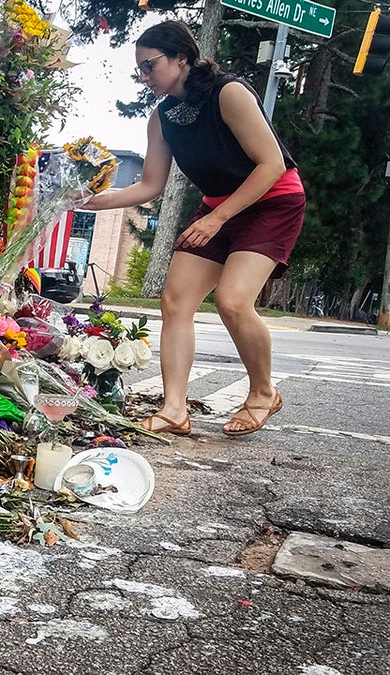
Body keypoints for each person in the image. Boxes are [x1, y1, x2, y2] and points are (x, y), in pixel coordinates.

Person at [82, 20, 305, 437]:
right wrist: (89, 200)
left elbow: (271, 165)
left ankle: (262, 393)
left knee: (233, 301)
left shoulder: (229, 93)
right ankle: (174, 410)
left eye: (150, 66)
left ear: (181, 57)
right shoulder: (162, 116)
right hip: (217, 208)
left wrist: (216, 219)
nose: (144, 77)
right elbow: (149, 186)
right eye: (140, 70)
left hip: (273, 200)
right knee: (175, 300)